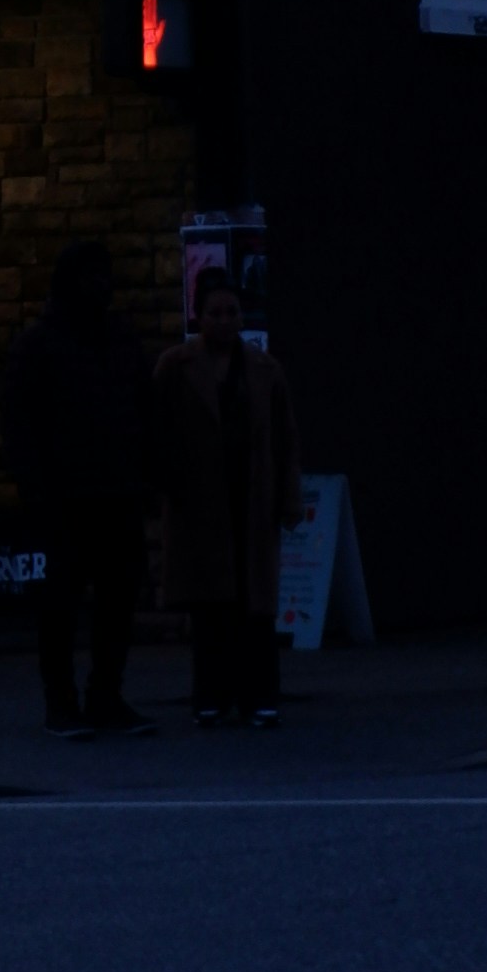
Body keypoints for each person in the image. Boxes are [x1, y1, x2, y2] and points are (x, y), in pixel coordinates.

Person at [0, 239, 156, 742]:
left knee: (114, 603)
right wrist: (36, 490)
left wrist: (145, 475)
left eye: (104, 275)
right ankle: (64, 700)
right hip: (64, 498)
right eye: (92, 276)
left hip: (115, 491)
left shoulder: (118, 339)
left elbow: (144, 412)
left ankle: (104, 695)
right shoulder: (39, 344)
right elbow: (19, 426)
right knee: (60, 606)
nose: (102, 285)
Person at [154, 268, 303, 727]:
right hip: (201, 503)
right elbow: (158, 434)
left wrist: (288, 498)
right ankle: (212, 697)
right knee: (210, 609)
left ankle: (259, 696)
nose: (223, 321)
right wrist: (166, 487)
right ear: (199, 316)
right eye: (214, 312)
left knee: (254, 607)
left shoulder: (265, 370)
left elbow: (285, 439)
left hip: (251, 499)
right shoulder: (175, 367)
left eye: (231, 312)